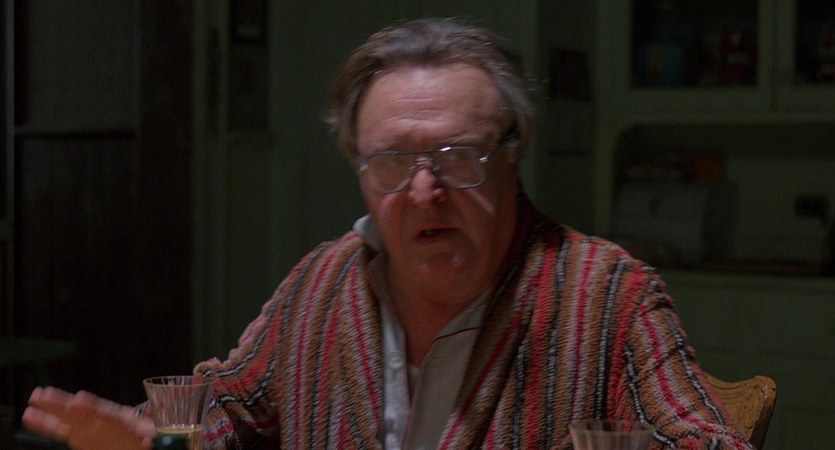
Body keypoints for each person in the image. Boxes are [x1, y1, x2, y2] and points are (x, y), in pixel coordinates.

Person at [22, 17, 755, 450]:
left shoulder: (606, 292)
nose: (424, 191)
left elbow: (701, 439)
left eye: (458, 157)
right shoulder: (325, 280)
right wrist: (152, 436)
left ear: (513, 153)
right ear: (358, 168)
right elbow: (229, 404)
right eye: (392, 163)